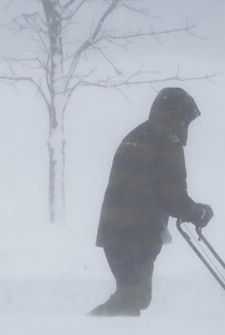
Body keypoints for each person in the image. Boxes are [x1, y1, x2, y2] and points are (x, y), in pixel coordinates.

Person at [89, 87, 214, 317]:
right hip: (137, 233)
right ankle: (83, 331)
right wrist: (197, 213)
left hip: (113, 231)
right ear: (180, 117)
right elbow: (173, 195)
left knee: (130, 296)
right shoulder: (168, 140)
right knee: (132, 298)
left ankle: (94, 330)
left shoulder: (138, 134)